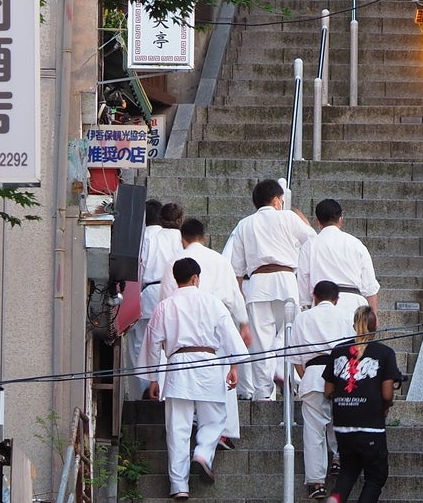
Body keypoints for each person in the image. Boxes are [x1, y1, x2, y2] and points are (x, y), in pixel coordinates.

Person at [143, 256, 243, 500]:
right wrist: (233, 365)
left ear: (176, 279)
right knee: (215, 417)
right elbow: (230, 336)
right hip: (209, 363)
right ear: (196, 278)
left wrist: (153, 378)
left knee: (177, 428)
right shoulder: (212, 302)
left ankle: (179, 485)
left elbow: (152, 345)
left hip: (177, 366)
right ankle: (202, 452)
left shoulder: (165, 306)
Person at [162, 218, 253, 447]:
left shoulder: (175, 262)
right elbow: (235, 294)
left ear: (182, 238)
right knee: (224, 379)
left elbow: (165, 298)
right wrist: (243, 323)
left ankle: (196, 424)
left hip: (185, 327)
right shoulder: (220, 260)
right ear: (204, 236)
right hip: (218, 321)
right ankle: (221, 431)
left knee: (186, 383)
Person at [223, 178, 316, 401]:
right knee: (290, 334)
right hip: (286, 282)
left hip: (257, 285)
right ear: (276, 200)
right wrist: (303, 220)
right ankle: (286, 374)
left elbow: (236, 269)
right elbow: (312, 240)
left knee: (260, 343)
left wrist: (239, 295)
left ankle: (264, 394)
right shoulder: (288, 217)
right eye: (281, 200)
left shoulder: (244, 224)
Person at [323, 305, 402, 503]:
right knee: (377, 475)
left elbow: (328, 390)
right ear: (375, 327)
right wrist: (386, 407)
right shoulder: (384, 353)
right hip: (370, 423)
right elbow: (387, 393)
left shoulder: (338, 351)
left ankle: (337, 498)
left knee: (349, 466)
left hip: (342, 422)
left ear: (353, 324)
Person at [284, 280, 356, 500]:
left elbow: (295, 359)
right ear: (337, 299)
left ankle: (317, 483)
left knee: (314, 430)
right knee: (340, 421)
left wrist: (310, 378)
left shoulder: (302, 318)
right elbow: (353, 350)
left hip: (313, 373)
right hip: (342, 373)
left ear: (314, 296)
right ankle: (338, 458)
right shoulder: (345, 316)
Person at [130, 199, 183, 399]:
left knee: (144, 342)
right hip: (178, 290)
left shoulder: (150, 237)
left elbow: (140, 266)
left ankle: (147, 387)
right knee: (172, 341)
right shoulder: (181, 239)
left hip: (150, 290)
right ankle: (167, 387)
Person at [296, 198, 381, 317]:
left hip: (321, 306)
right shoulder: (356, 244)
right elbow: (370, 286)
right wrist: (374, 315)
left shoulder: (310, 246)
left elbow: (303, 281)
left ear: (318, 222)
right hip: (354, 306)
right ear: (341, 220)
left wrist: (308, 308)